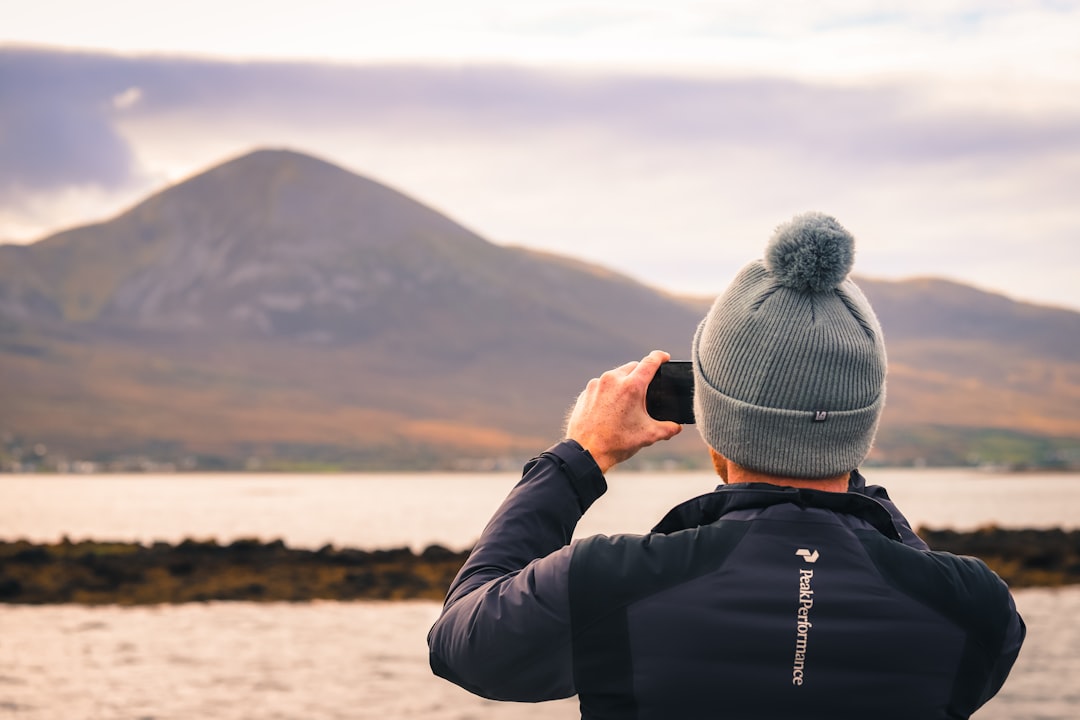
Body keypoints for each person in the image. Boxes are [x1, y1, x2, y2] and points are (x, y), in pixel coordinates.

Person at [427, 212, 1025, 719]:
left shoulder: (609, 582)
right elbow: (898, 568)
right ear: (864, 421)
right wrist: (835, 456)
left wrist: (580, 456)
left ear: (710, 420)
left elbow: (461, 642)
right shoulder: (975, 609)